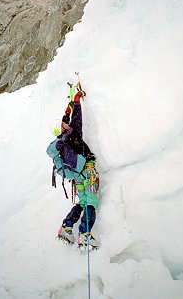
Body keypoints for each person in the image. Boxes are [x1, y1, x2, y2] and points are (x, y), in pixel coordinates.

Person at [55, 90, 99, 248]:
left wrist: (68, 108)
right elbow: (77, 117)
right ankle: (85, 233)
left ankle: (67, 226)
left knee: (82, 201)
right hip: (88, 170)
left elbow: (66, 120)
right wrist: (76, 100)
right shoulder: (74, 135)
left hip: (76, 176)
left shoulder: (61, 142)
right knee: (91, 202)